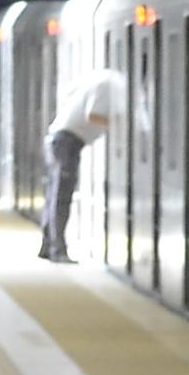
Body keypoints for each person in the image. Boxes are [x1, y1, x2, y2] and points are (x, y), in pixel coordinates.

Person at [39, 65, 123, 263]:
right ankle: (57, 250)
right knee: (62, 197)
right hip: (68, 141)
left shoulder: (101, 79)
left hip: (60, 140)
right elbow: (92, 115)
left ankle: (47, 245)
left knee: (55, 195)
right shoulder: (108, 85)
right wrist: (118, 122)